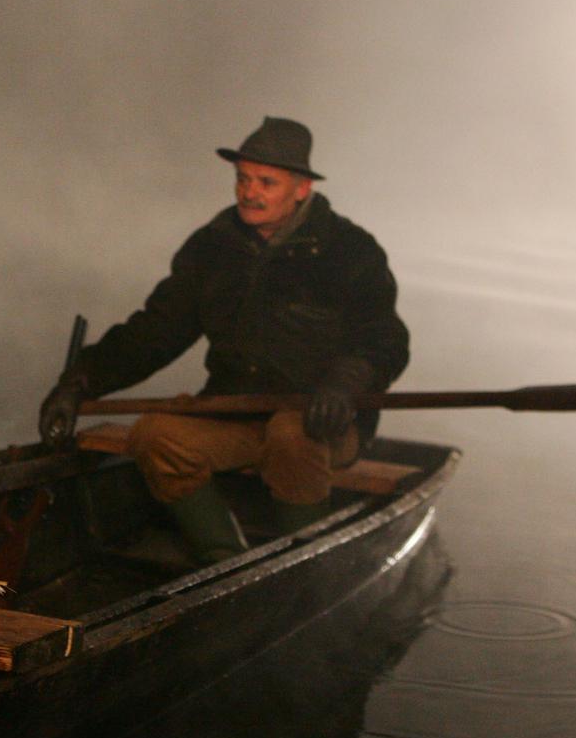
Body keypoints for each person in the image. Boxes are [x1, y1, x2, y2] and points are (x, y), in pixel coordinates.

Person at [39, 117, 407, 563]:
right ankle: (225, 561)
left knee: (291, 433)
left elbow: (384, 338)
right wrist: (79, 381)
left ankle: (306, 563)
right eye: (242, 178)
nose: (249, 192)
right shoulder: (213, 247)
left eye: (266, 182)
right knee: (155, 434)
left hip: (325, 425)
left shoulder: (349, 251)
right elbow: (154, 331)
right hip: (233, 414)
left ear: (301, 188)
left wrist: (343, 387)